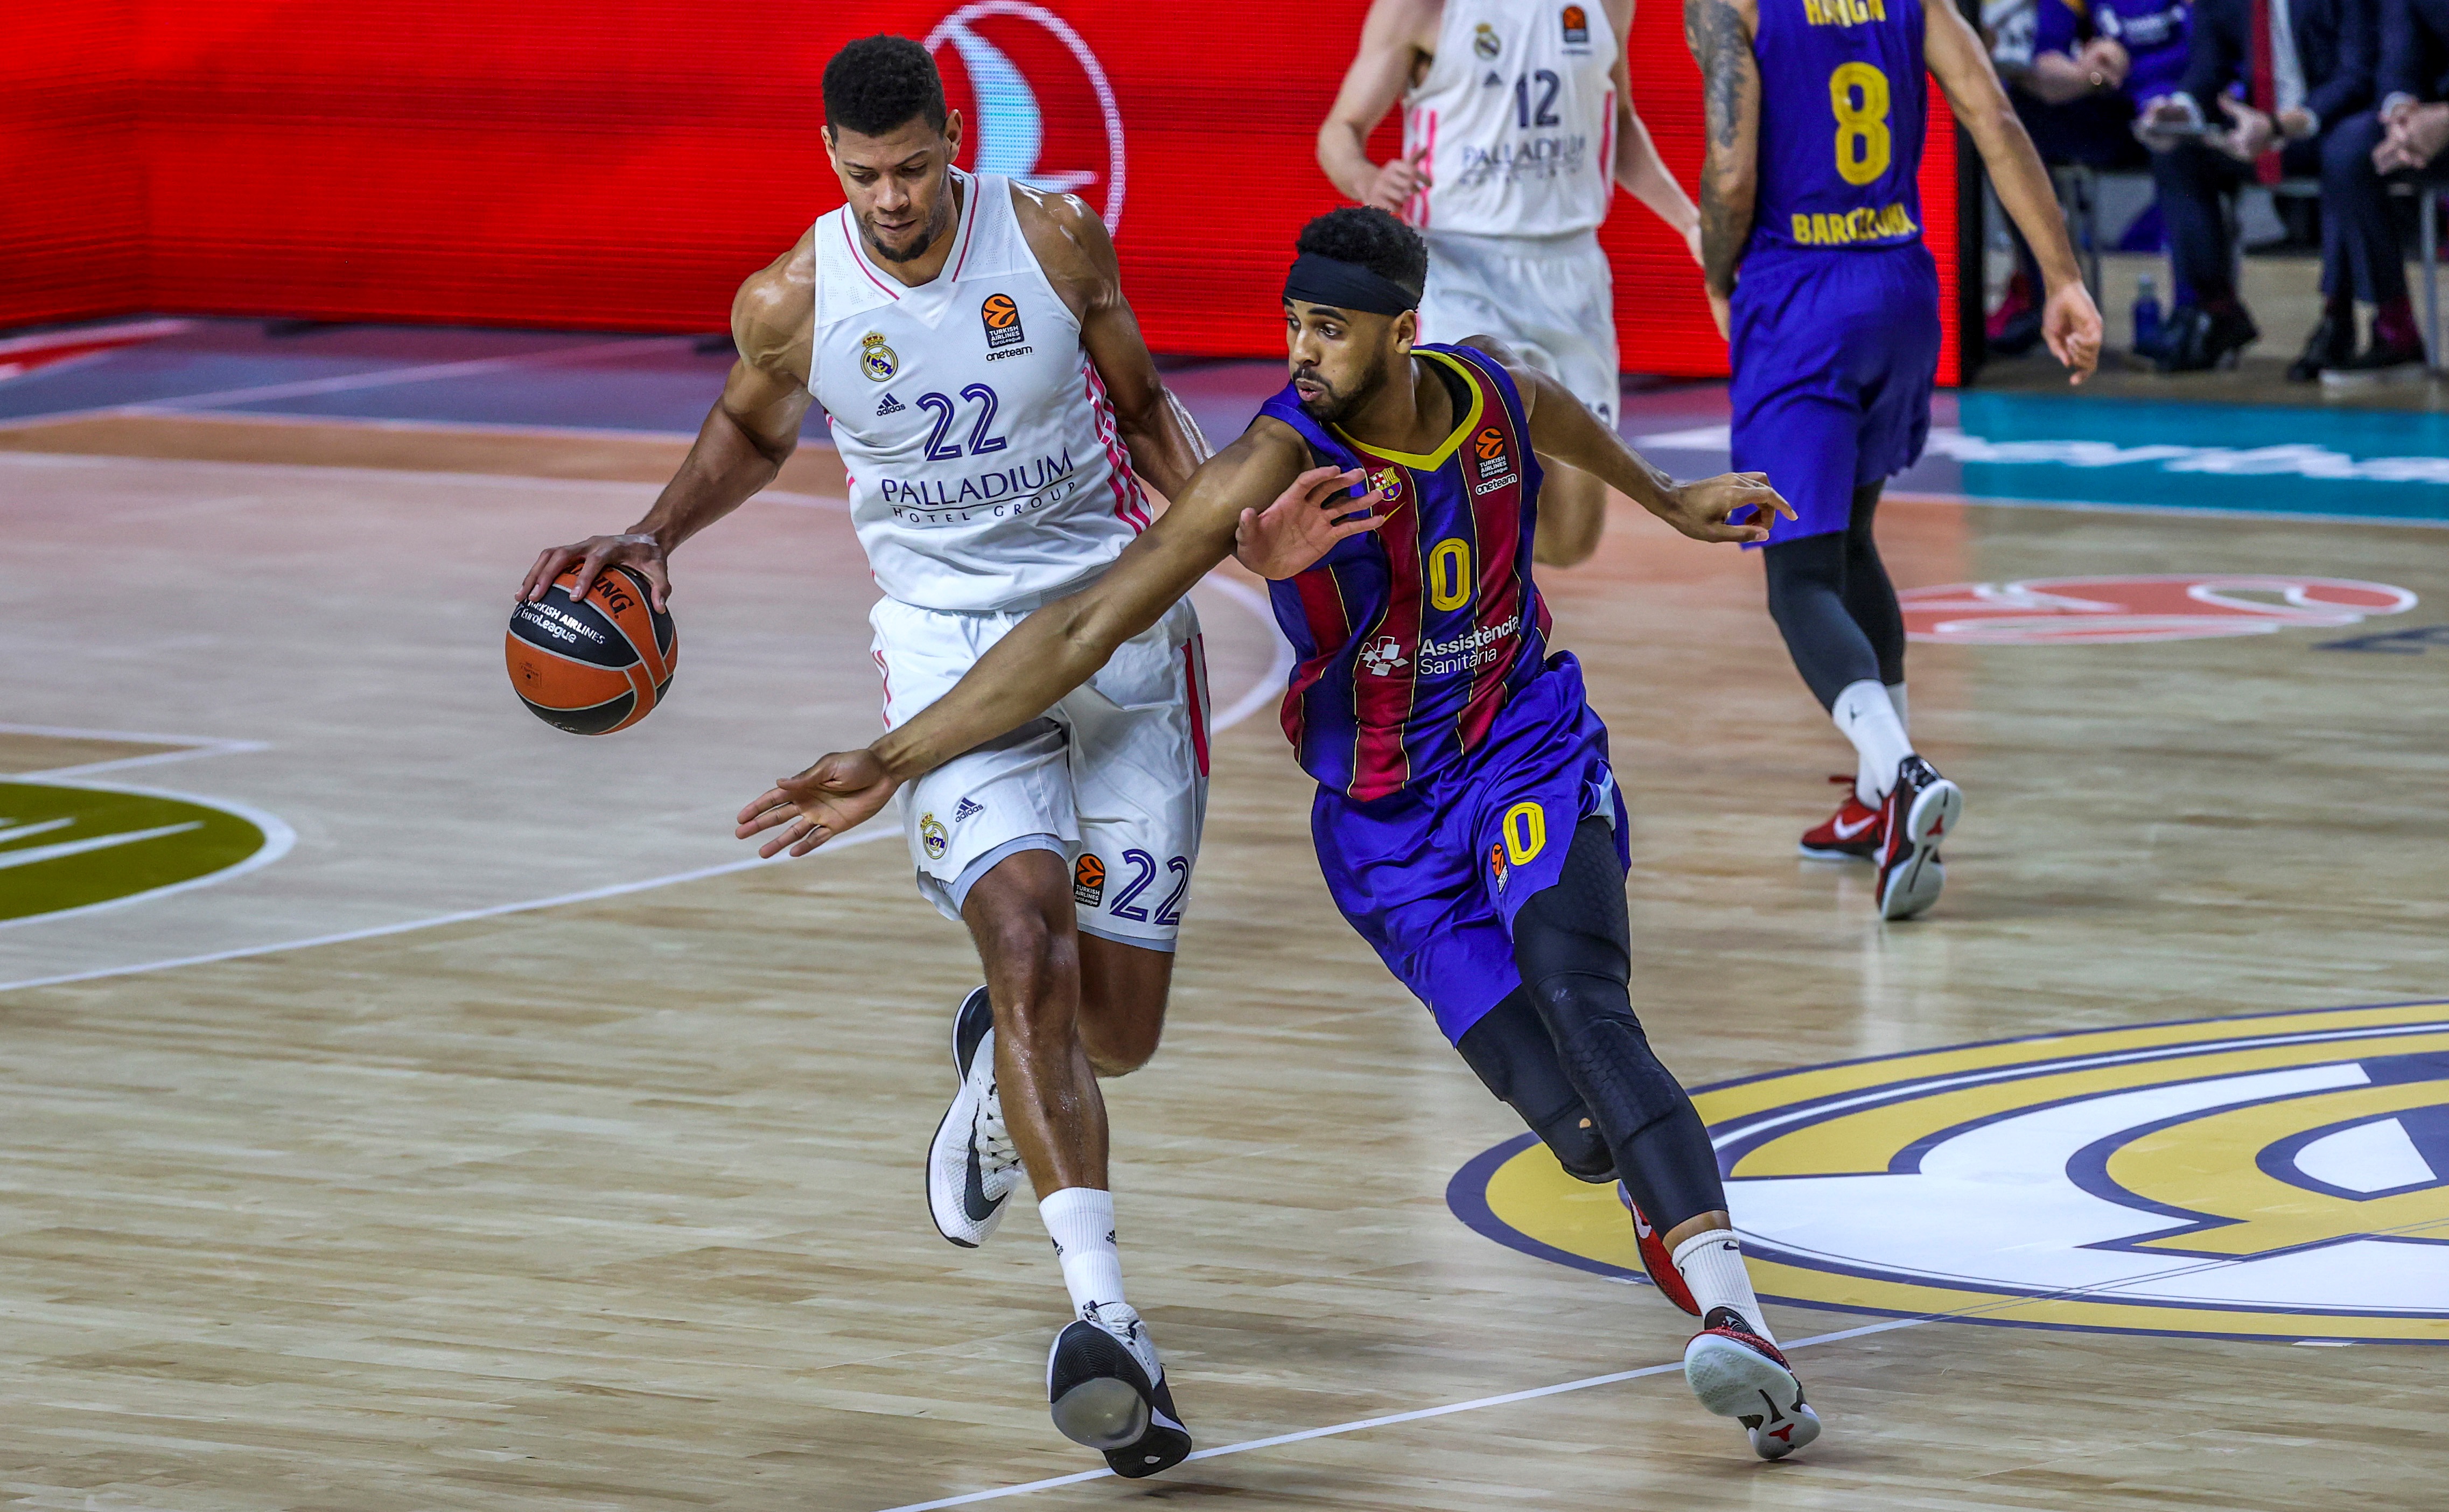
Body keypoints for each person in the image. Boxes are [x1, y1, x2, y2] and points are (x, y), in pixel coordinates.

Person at [741, 206, 1838, 1463]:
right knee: (1585, 1137)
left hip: (1523, 745)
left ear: (1401, 334)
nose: (1301, 349)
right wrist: (888, 759)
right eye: (1292, 324)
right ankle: (1004, 1046)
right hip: (1384, 830)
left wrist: (1671, 497)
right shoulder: (1266, 469)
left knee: (1582, 997)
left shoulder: (1483, 391)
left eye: (1328, 327)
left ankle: (1741, 1327)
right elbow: (1080, 630)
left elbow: (1555, 415)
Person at [516, 35, 1213, 1478]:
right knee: (1025, 941)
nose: (890, 198)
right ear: (831, 162)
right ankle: (1106, 1326)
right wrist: (653, 532)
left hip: (1114, 620)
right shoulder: (792, 298)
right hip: (948, 652)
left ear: (950, 141)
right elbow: (748, 431)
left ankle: (991, 1075)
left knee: (1118, 1029)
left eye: (909, 169)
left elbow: (1143, 412)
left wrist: (1232, 529)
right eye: (862, 175)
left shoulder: (1055, 239)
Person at [1685, 0, 2103, 919]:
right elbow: (1992, 117)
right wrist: (2062, 276)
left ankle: (1902, 773)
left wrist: (1717, 271)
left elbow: (1730, 171)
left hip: (1798, 294)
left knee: (1794, 574)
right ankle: (1881, 799)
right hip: (1901, 286)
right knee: (1851, 541)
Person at [1318, 0, 1702, 568]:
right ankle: (1441, 624)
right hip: (1456, 264)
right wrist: (1367, 176)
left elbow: (1616, 121)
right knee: (1453, 467)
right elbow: (1340, 130)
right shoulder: (1420, 8)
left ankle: (1483, 596)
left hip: (1570, 271)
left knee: (1570, 540)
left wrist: (1690, 221)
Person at [2134, 0, 2380, 374]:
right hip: (2258, 126)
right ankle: (2216, 310)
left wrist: (2286, 124)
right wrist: (2181, 110)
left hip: (2325, 120)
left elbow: (2357, 76)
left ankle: (2337, 315)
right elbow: (2207, 69)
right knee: (2177, 151)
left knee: (2342, 153)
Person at [1987, 0, 2187, 354]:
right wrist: (2089, 74)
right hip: (2119, 109)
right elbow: (2046, 60)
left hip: (2187, 104)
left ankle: (2198, 311)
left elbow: (2212, 46)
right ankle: (2046, 296)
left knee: (2181, 138)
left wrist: (2131, 63)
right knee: (2011, 120)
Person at [2313, 0, 2449, 380]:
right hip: (2432, 119)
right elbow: (2398, 59)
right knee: (2349, 149)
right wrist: (2401, 113)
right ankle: (2395, 329)